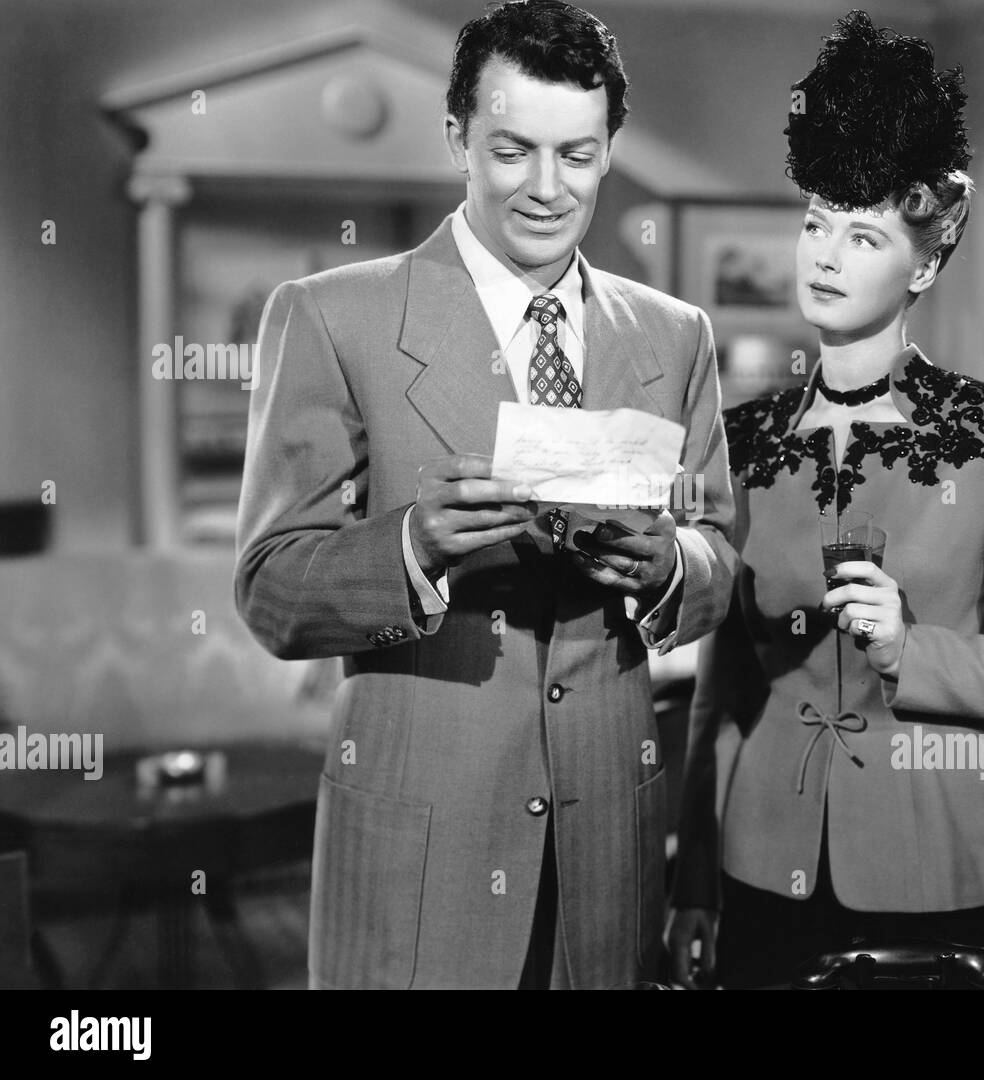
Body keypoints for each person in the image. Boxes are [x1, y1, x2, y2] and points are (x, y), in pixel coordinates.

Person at [235, 0, 735, 989]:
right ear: (457, 135)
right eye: (513, 151)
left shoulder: (675, 335)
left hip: (611, 845)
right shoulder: (334, 317)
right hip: (422, 847)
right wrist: (414, 544)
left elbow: (719, 552)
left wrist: (671, 562)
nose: (547, 189)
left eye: (577, 155)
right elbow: (271, 593)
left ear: (609, 148)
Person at [668, 10, 984, 989]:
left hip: (924, 868)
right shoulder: (745, 437)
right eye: (815, 224)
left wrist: (914, 650)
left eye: (860, 235)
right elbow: (719, 685)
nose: (822, 254)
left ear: (924, 263)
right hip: (758, 865)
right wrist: (693, 877)